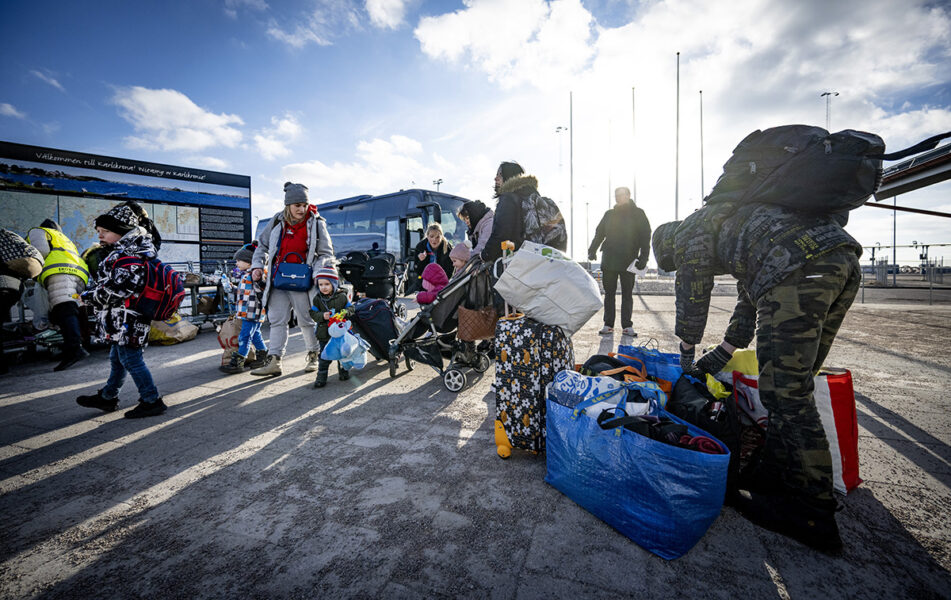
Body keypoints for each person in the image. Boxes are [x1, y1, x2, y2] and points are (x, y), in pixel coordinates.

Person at [652, 200, 863, 554]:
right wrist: (723, 352)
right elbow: (751, 297)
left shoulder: (690, 232)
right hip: (837, 259)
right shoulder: (737, 223)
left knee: (786, 392)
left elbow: (692, 292)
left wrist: (686, 355)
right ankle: (775, 475)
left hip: (801, 269)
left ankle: (812, 511)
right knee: (793, 384)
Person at [75, 203, 166, 418]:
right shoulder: (124, 251)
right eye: (98, 231)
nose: (100, 235)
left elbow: (120, 289)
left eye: (105, 231)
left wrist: (87, 298)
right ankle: (108, 396)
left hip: (129, 318)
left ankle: (151, 400)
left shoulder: (131, 254)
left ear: (123, 230)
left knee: (131, 360)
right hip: (121, 317)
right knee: (118, 358)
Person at [250, 182, 335, 377]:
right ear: (288, 205)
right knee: (277, 320)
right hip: (278, 280)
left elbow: (326, 253)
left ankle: (315, 355)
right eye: (297, 205)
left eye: (304, 205)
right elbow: (261, 247)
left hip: (303, 281)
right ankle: (274, 361)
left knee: (305, 320)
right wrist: (256, 266)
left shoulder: (316, 223)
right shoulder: (277, 221)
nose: (302, 209)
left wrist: (318, 273)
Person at [587, 187, 651, 338]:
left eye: (621, 195)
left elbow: (645, 237)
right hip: (609, 259)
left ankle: (627, 326)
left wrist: (644, 258)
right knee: (609, 294)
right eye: (616, 195)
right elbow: (599, 233)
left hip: (629, 261)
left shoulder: (638, 214)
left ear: (628, 196)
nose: (618, 198)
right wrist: (592, 250)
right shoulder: (609, 214)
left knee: (627, 294)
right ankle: (608, 324)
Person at [28, 219, 91, 371]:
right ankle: (73, 345)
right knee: (68, 309)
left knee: (65, 309)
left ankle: (75, 349)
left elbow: (41, 251)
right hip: (79, 274)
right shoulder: (64, 239)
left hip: (60, 272)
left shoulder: (38, 230)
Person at [480, 161, 544, 261]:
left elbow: (501, 234)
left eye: (499, 175)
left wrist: (485, 254)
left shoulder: (508, 198)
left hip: (512, 262)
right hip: (535, 259)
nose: (495, 178)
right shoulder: (533, 198)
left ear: (509, 176)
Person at [220, 242, 267, 374]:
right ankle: (263, 357)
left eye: (239, 260)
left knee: (244, 336)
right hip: (249, 311)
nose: (236, 263)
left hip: (251, 312)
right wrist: (231, 288)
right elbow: (243, 293)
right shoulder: (246, 275)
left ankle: (238, 362)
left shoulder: (255, 274)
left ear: (249, 261)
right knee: (256, 335)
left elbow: (262, 290)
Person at [308, 266, 352, 388]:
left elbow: (351, 308)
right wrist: (322, 315)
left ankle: (343, 371)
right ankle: (321, 378)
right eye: (320, 284)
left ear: (334, 283)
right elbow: (312, 313)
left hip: (340, 333)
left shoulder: (342, 296)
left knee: (342, 354)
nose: (323, 287)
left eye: (327, 284)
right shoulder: (317, 299)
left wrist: (344, 313)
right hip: (324, 333)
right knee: (324, 357)